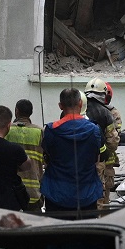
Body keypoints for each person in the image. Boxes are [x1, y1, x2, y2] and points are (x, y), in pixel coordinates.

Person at [40, 88, 104, 218]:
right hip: (87, 194)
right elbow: (97, 158)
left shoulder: (51, 130)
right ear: (80, 104)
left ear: (60, 106)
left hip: (56, 194)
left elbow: (46, 157)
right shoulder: (94, 130)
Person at [82, 79, 123, 210]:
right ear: (104, 94)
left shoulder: (75, 109)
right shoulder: (106, 113)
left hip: (76, 162)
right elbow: (113, 142)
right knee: (99, 198)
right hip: (99, 162)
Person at [7, 99, 45, 211]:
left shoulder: (8, 130)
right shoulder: (39, 131)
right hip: (34, 192)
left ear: (16, 111)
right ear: (31, 112)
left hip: (13, 191)